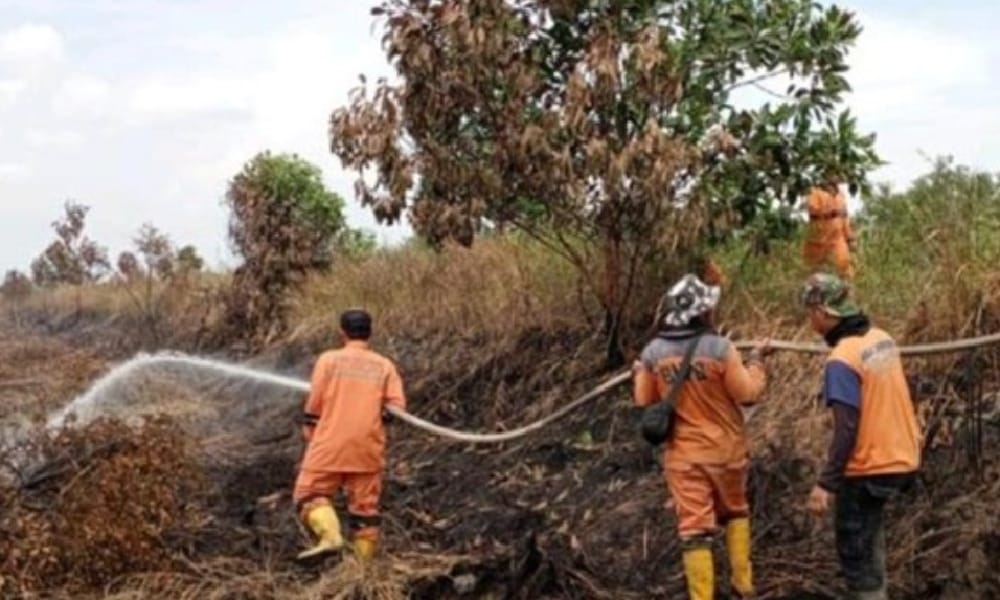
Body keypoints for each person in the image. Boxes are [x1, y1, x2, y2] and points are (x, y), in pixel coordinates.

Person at [632, 274, 771, 600]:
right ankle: (743, 586)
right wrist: (758, 362)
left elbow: (644, 401)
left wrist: (640, 372)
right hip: (728, 452)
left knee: (694, 529)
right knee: (736, 510)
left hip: (684, 458)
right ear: (703, 312)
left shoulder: (654, 353)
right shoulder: (721, 348)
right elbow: (748, 393)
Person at [801, 273, 921, 600]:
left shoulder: (842, 360)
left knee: (856, 555)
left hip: (868, 468)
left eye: (810, 313)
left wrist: (826, 483)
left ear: (823, 313)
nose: (810, 320)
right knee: (870, 537)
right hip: (901, 457)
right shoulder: (882, 339)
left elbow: (846, 428)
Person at [293, 309, 406, 562]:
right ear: (370, 333)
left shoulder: (329, 360)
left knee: (309, 494)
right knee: (365, 510)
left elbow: (316, 402)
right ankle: (361, 571)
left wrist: (310, 426)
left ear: (342, 332)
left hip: (330, 444)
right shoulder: (384, 365)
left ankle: (331, 537)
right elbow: (396, 406)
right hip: (368, 448)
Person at [803, 174, 857, 279]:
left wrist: (850, 238)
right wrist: (831, 211)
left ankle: (846, 293)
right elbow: (810, 209)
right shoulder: (814, 191)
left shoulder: (841, 194)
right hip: (817, 241)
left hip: (837, 240)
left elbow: (845, 218)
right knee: (814, 273)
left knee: (844, 269)